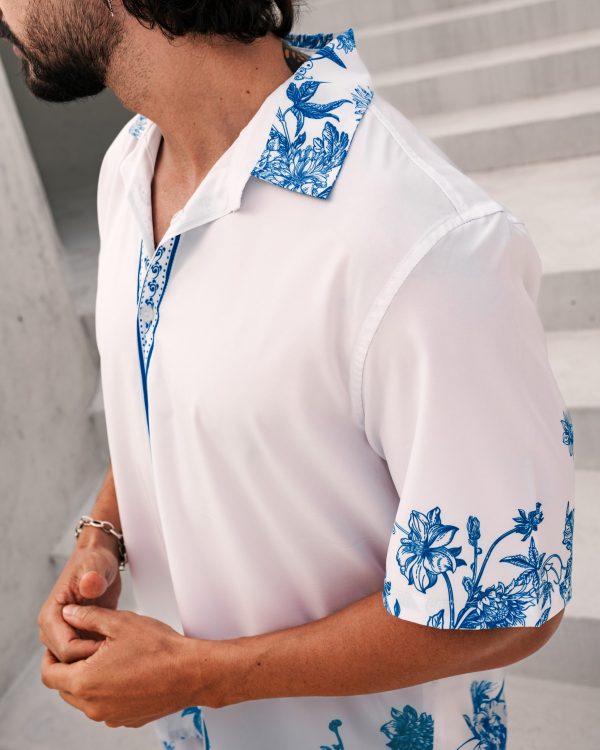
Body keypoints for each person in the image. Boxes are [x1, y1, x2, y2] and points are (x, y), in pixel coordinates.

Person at [0, 0, 575, 747]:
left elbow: (512, 608)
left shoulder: (426, 246)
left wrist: (199, 675)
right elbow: (171, 391)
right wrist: (103, 533)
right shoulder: (130, 166)